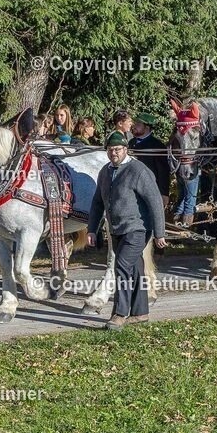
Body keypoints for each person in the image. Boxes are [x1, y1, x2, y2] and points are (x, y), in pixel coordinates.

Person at [87, 132, 167, 329]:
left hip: (137, 228)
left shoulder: (138, 170)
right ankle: (140, 313)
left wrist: (159, 233)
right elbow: (97, 203)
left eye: (117, 149)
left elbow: (155, 201)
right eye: (110, 149)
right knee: (136, 269)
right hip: (116, 229)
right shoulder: (105, 171)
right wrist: (92, 229)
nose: (113, 153)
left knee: (121, 265)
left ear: (125, 150)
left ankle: (120, 313)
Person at [129, 113, 171, 208]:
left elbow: (163, 172)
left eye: (138, 124)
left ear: (147, 128)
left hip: (149, 189)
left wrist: (164, 193)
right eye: (135, 123)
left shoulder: (157, 145)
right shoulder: (131, 143)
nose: (134, 126)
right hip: (131, 187)